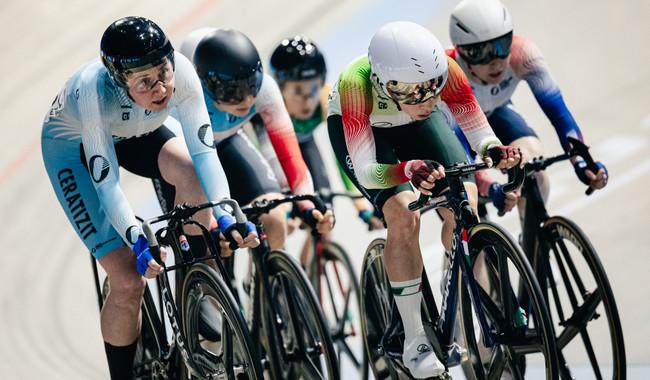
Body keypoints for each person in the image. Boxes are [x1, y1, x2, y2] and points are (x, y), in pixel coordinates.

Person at [41, 17, 258, 379]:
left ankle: (193, 284)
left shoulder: (182, 74)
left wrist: (225, 216)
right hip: (75, 151)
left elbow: (205, 155)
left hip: (137, 131)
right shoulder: (94, 92)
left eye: (163, 72)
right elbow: (107, 183)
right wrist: (137, 240)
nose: (160, 88)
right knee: (128, 281)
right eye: (144, 82)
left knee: (191, 175)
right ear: (118, 82)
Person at [327, 21, 520, 378]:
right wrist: (407, 170)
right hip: (367, 133)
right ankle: (415, 338)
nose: (428, 98)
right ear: (386, 83)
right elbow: (369, 170)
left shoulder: (444, 72)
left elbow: (476, 127)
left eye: (433, 89)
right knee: (403, 214)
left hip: (418, 125)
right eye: (415, 92)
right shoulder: (355, 83)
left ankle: (466, 294)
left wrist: (495, 150)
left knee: (466, 202)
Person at [172, 27, 335, 252]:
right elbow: (199, 164)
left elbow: (290, 156)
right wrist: (217, 221)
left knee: (276, 218)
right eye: (232, 91)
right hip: (186, 155)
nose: (247, 99)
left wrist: (308, 205)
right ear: (205, 86)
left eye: (252, 84)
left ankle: (268, 282)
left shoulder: (266, 89)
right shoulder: (187, 99)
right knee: (210, 249)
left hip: (228, 142)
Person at [448, 0, 608, 216]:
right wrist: (489, 187)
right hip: (455, 130)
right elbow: (459, 157)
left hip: (497, 113)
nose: (496, 62)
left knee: (534, 166)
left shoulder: (524, 54)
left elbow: (559, 115)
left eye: (502, 46)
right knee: (467, 204)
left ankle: (532, 243)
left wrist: (581, 161)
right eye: (481, 52)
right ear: (462, 52)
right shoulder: (449, 74)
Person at [267, 36, 384, 263]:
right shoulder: (269, 108)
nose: (307, 101)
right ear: (280, 89)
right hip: (274, 154)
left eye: (313, 89)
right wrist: (286, 202)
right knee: (283, 220)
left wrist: (361, 203)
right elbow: (266, 162)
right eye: (298, 91)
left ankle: (305, 289)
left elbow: (344, 155)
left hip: (304, 146)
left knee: (324, 215)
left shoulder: (326, 98)